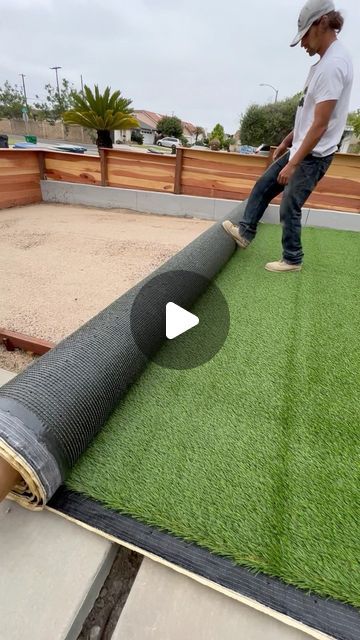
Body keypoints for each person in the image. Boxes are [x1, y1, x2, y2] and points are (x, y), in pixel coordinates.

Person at [222, 0, 353, 272]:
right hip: (301, 149)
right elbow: (307, 116)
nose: (303, 43)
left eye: (305, 35)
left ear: (322, 24)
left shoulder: (334, 65)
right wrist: (285, 143)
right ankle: (244, 233)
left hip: (314, 155)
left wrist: (294, 164)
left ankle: (292, 258)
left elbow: (320, 125)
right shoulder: (322, 64)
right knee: (263, 186)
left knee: (290, 204)